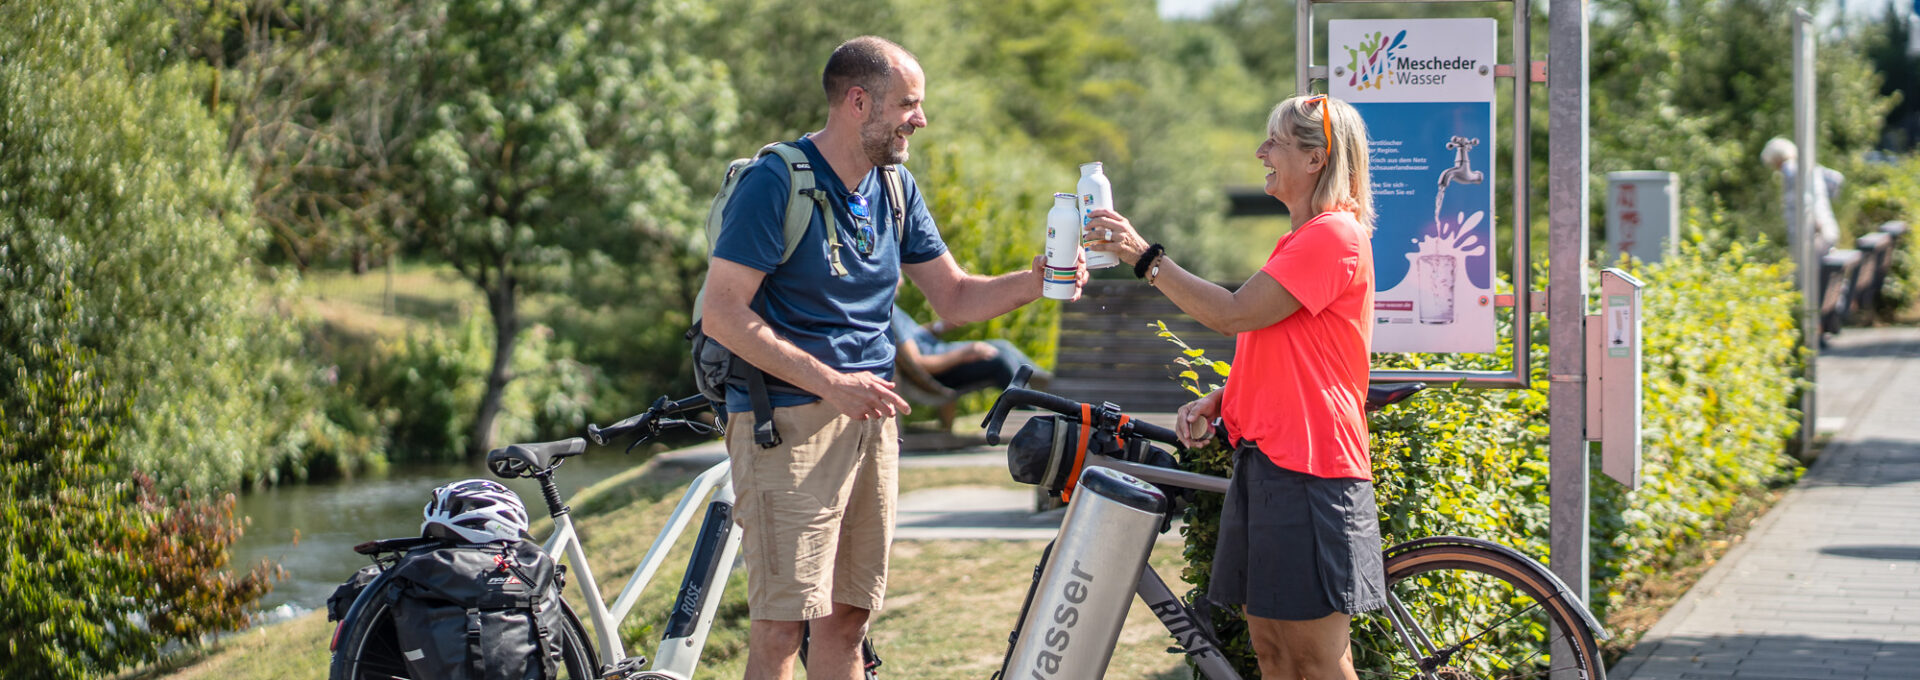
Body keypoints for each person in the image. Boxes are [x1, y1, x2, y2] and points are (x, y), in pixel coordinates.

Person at [699, 36, 1082, 680]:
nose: (921, 119)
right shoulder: (775, 183)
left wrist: (1042, 279)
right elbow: (724, 313)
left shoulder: (894, 187)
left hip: (871, 425)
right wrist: (832, 384)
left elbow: (955, 298)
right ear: (857, 102)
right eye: (908, 104)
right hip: (785, 426)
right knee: (780, 627)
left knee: (848, 620)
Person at [1085, 94, 1382, 680]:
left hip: (1313, 464)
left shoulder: (1333, 235)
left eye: (1274, 141)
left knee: (1318, 660)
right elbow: (1288, 347)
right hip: (1271, 460)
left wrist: (1143, 257)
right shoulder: (1301, 239)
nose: (1261, 153)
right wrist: (1223, 400)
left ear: (1316, 157)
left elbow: (1234, 314)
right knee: (1270, 651)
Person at [891, 304, 1051, 394]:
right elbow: (919, 363)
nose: (903, 281)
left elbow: (915, 335)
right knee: (1000, 361)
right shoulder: (892, 314)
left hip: (946, 354)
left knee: (1002, 345)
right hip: (946, 370)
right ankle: (1028, 405)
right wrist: (966, 352)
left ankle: (1044, 381)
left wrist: (941, 326)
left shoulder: (895, 308)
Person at [1761, 136, 1843, 256]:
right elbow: (1836, 179)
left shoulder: (1789, 169)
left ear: (1776, 159)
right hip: (1828, 227)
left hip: (1813, 235)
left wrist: (1815, 221)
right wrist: (1824, 203)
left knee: (1810, 272)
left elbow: (1803, 200)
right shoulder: (1808, 166)